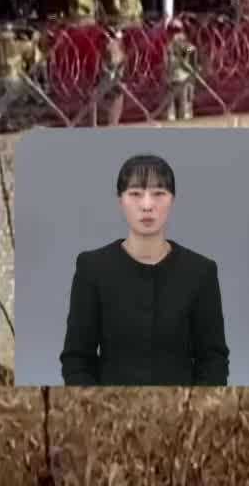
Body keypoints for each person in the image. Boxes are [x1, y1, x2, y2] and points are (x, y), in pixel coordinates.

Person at [59, 153, 229, 386]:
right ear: (120, 200)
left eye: (159, 194)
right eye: (135, 194)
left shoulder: (201, 272)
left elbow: (213, 360)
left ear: (172, 200)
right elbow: (77, 359)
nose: (147, 205)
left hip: (185, 411)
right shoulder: (92, 268)